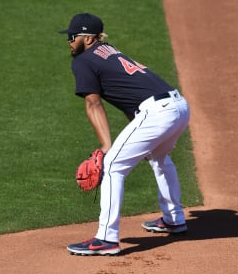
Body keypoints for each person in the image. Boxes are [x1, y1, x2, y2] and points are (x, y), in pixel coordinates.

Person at [59, 13, 190, 256]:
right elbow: (133, 101)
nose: (68, 40)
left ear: (87, 38)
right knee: (159, 159)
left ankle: (106, 239)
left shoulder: (84, 60)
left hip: (158, 112)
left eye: (72, 36)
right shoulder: (108, 51)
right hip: (178, 106)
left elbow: (93, 103)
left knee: (111, 166)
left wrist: (107, 146)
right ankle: (174, 218)